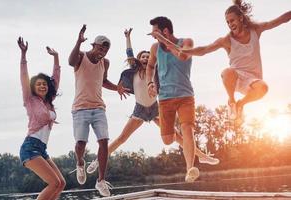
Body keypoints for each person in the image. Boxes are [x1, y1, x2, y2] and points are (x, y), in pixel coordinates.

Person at [87, 28, 219, 175]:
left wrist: (161, 40)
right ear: (139, 59)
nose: (145, 58)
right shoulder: (135, 69)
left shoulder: (156, 72)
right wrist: (127, 37)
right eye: (142, 56)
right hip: (140, 109)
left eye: (147, 56)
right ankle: (97, 161)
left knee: (179, 137)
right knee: (121, 138)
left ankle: (203, 157)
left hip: (155, 109)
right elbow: (129, 54)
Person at [160, 0, 291, 124]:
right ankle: (232, 101)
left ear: (241, 18)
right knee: (227, 72)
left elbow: (280, 20)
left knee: (264, 88)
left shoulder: (255, 30)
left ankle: (240, 105)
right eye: (227, 22)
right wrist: (187, 51)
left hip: (253, 81)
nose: (230, 24)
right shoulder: (226, 40)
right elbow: (204, 49)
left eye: (232, 20)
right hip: (236, 78)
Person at [68, 24, 129, 197]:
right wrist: (78, 42)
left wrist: (117, 88)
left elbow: (103, 81)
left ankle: (101, 181)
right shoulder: (81, 57)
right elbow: (70, 62)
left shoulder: (105, 62)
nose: (102, 51)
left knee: (104, 141)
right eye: (100, 47)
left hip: (98, 108)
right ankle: (80, 163)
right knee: (81, 144)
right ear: (93, 45)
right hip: (80, 108)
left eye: (105, 49)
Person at [146, 17, 200, 183]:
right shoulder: (155, 48)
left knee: (187, 129)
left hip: (185, 96)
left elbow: (182, 56)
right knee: (168, 139)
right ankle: (165, 125)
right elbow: (150, 66)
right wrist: (150, 83)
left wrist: (163, 40)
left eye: (155, 32)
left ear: (165, 31)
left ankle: (190, 168)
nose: (153, 36)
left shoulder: (187, 42)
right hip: (165, 99)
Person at [18, 37, 65, 200]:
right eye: (38, 84)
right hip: (30, 148)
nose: (42, 86)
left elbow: (56, 78)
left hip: (42, 149)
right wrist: (23, 55)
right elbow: (24, 77)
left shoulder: (48, 102)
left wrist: (56, 57)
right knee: (53, 183)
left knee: (61, 183)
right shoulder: (30, 100)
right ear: (33, 87)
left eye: (44, 84)